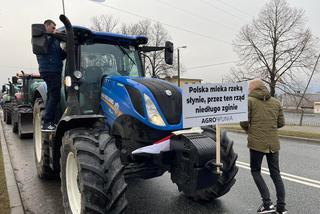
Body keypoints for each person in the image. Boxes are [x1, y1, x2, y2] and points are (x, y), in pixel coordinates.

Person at [240, 79, 287, 214]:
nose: (248, 89)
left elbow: (244, 122)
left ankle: (267, 204)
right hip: (273, 143)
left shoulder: (249, 101)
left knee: (255, 171)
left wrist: (249, 129)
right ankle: (281, 207)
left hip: (257, 142)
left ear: (254, 88)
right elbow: (281, 123)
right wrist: (269, 128)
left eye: (250, 87)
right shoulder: (276, 102)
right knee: (275, 173)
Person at [36, 19, 66, 131]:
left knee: (51, 96)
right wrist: (53, 35)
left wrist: (67, 49)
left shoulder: (55, 41)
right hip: (49, 70)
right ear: (46, 26)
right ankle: (47, 122)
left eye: (55, 28)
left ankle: (50, 121)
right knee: (55, 96)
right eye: (53, 28)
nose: (55, 30)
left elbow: (60, 56)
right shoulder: (42, 38)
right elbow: (45, 46)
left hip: (55, 70)